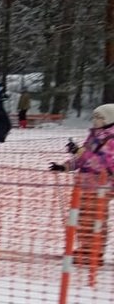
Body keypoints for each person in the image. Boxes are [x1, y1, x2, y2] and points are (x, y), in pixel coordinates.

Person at [49, 104, 114, 267]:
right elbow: (82, 159)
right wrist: (64, 166)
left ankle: (95, 251)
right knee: (83, 217)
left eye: (99, 118)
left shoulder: (110, 139)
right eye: (94, 117)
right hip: (86, 184)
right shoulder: (94, 136)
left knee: (96, 217)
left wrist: (79, 151)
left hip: (102, 186)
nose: (95, 120)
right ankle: (86, 248)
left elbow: (104, 162)